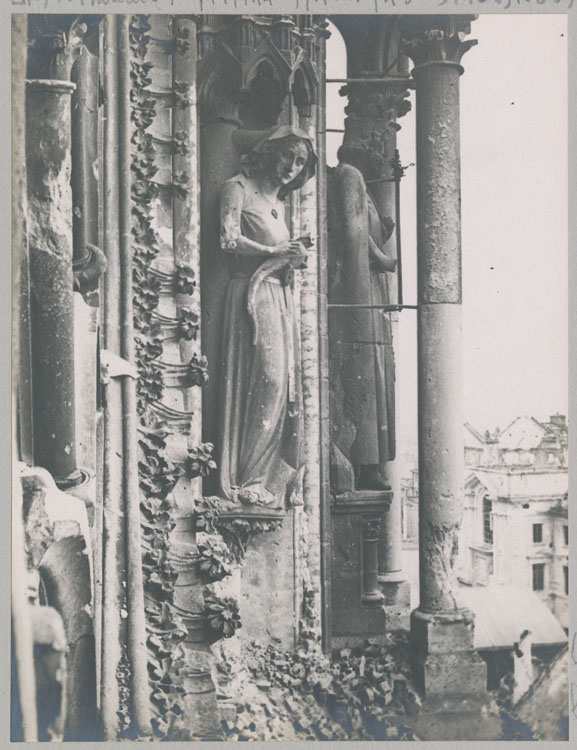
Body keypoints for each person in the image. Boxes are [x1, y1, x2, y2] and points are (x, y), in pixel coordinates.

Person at [217, 125, 317, 510]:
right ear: (269, 150)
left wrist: (291, 259)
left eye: (300, 162)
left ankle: (266, 478)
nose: (292, 167)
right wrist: (274, 252)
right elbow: (228, 239)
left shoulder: (280, 205)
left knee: (286, 386)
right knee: (269, 378)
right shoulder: (237, 189)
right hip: (250, 293)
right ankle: (245, 478)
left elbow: (279, 253)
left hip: (280, 294)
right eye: (287, 155)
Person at [327, 144, 397, 492]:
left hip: (368, 292)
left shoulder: (357, 180)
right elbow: (352, 235)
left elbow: (362, 232)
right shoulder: (349, 175)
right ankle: (365, 463)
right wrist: (382, 259)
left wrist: (383, 233)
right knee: (366, 375)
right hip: (358, 294)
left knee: (374, 373)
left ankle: (369, 462)